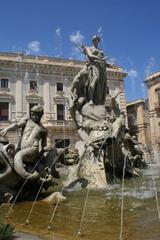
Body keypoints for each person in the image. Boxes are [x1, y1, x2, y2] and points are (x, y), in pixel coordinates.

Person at [0, 105, 48, 179]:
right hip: (20, 148)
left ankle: (29, 176)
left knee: (17, 157)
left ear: (40, 115)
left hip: (32, 149)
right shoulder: (27, 120)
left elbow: (44, 145)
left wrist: (43, 154)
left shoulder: (43, 129)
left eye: (34, 114)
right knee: (6, 156)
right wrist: (7, 129)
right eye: (31, 113)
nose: (32, 115)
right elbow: (17, 125)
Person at [82, 35, 107, 105]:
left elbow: (104, 62)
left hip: (102, 69)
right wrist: (100, 59)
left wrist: (109, 65)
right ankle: (90, 99)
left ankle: (99, 101)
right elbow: (90, 56)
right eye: (95, 40)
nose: (96, 41)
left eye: (97, 40)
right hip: (94, 67)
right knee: (93, 81)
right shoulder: (88, 48)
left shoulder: (101, 51)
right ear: (92, 41)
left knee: (101, 86)